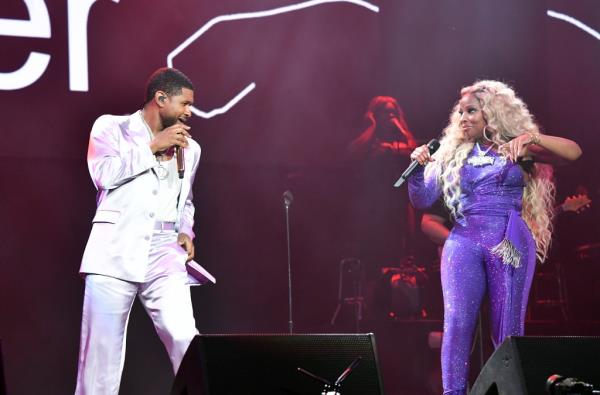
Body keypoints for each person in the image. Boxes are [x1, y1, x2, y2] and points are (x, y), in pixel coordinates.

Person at [408, 80, 582, 395]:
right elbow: (421, 199)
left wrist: (531, 137)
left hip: (509, 243)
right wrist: (419, 167)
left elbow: (573, 152)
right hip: (463, 242)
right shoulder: (450, 153)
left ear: (491, 113)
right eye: (460, 112)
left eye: (471, 110)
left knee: (508, 331)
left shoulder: (517, 146)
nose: (463, 117)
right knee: (458, 326)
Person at [75, 67, 202, 394]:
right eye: (184, 104)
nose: (190, 112)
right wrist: (151, 147)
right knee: (100, 356)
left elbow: (185, 200)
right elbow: (103, 174)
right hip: (114, 250)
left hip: (163, 252)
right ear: (160, 99)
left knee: (185, 337)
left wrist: (186, 230)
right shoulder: (111, 127)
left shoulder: (191, 148)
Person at [346, 97, 418, 273]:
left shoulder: (401, 137)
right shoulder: (370, 139)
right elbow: (353, 152)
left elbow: (416, 154)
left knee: (400, 252)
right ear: (376, 114)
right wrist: (372, 125)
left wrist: (401, 128)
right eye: (386, 112)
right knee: (375, 255)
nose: (390, 115)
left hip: (399, 204)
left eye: (393, 112)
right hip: (374, 204)